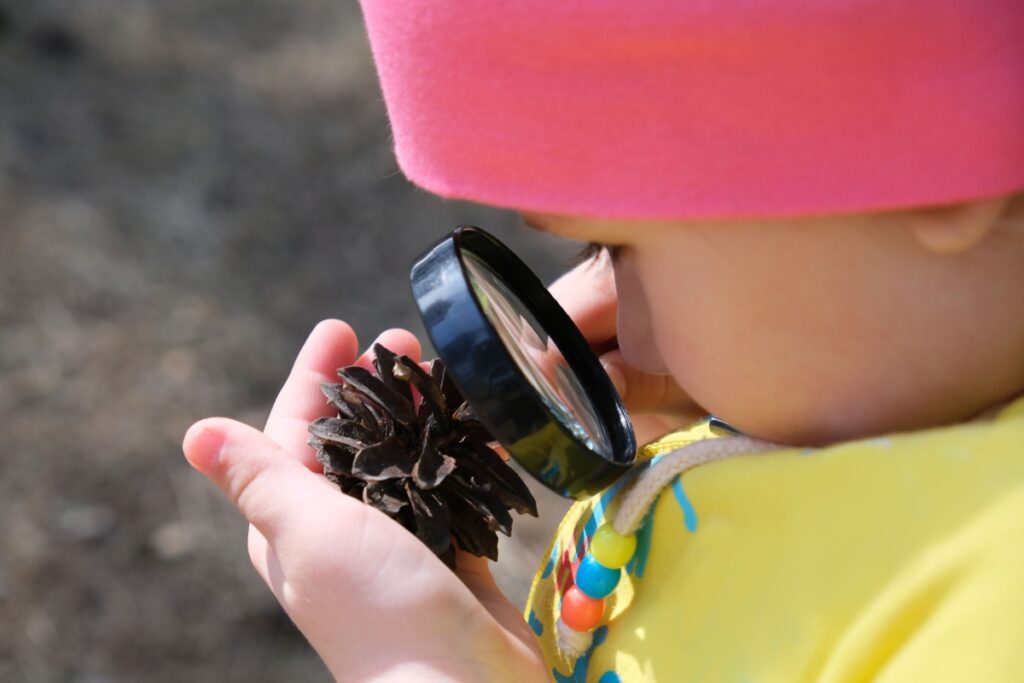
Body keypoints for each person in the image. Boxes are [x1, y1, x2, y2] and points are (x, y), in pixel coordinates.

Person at [182, 2, 1024, 681]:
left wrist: (431, 669)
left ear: (936, 154)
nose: (616, 323)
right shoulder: (877, 399)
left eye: (620, 246)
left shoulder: (990, 616)